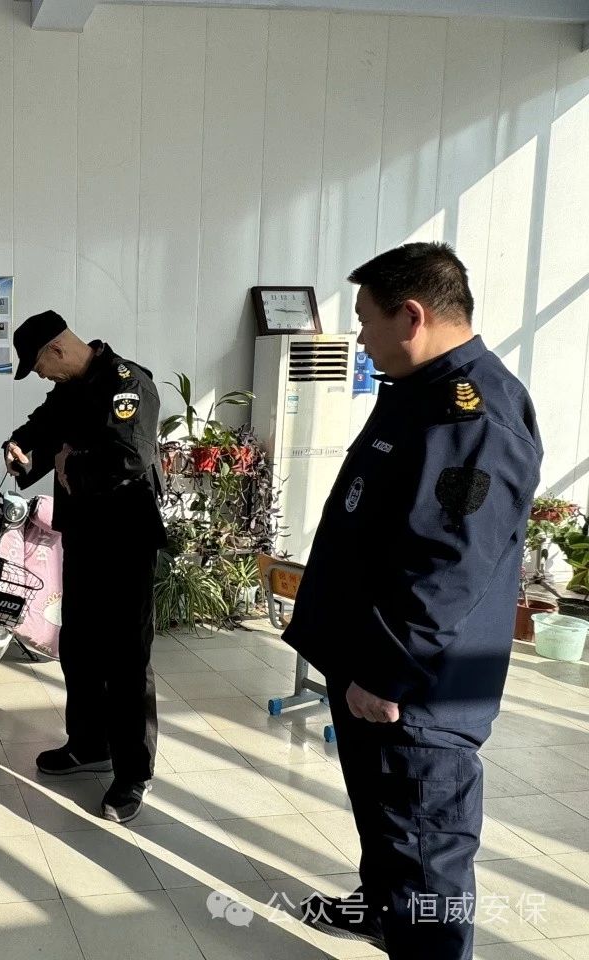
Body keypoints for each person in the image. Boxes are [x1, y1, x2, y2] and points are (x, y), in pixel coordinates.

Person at [282, 243, 542, 959]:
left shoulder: (473, 418)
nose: (361, 338)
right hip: (371, 665)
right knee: (386, 824)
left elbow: (450, 564)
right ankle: (379, 909)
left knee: (425, 849)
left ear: (412, 316)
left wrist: (385, 670)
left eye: (366, 320)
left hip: (416, 693)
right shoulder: (420, 391)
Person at [3, 310, 168, 824]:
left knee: (126, 657)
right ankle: (89, 744)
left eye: (40, 367)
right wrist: (21, 447)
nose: (43, 377)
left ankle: (132, 773)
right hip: (84, 534)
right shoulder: (70, 388)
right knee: (79, 645)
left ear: (56, 349)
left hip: (125, 538)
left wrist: (71, 463)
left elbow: (129, 457)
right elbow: (43, 427)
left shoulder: (127, 383)